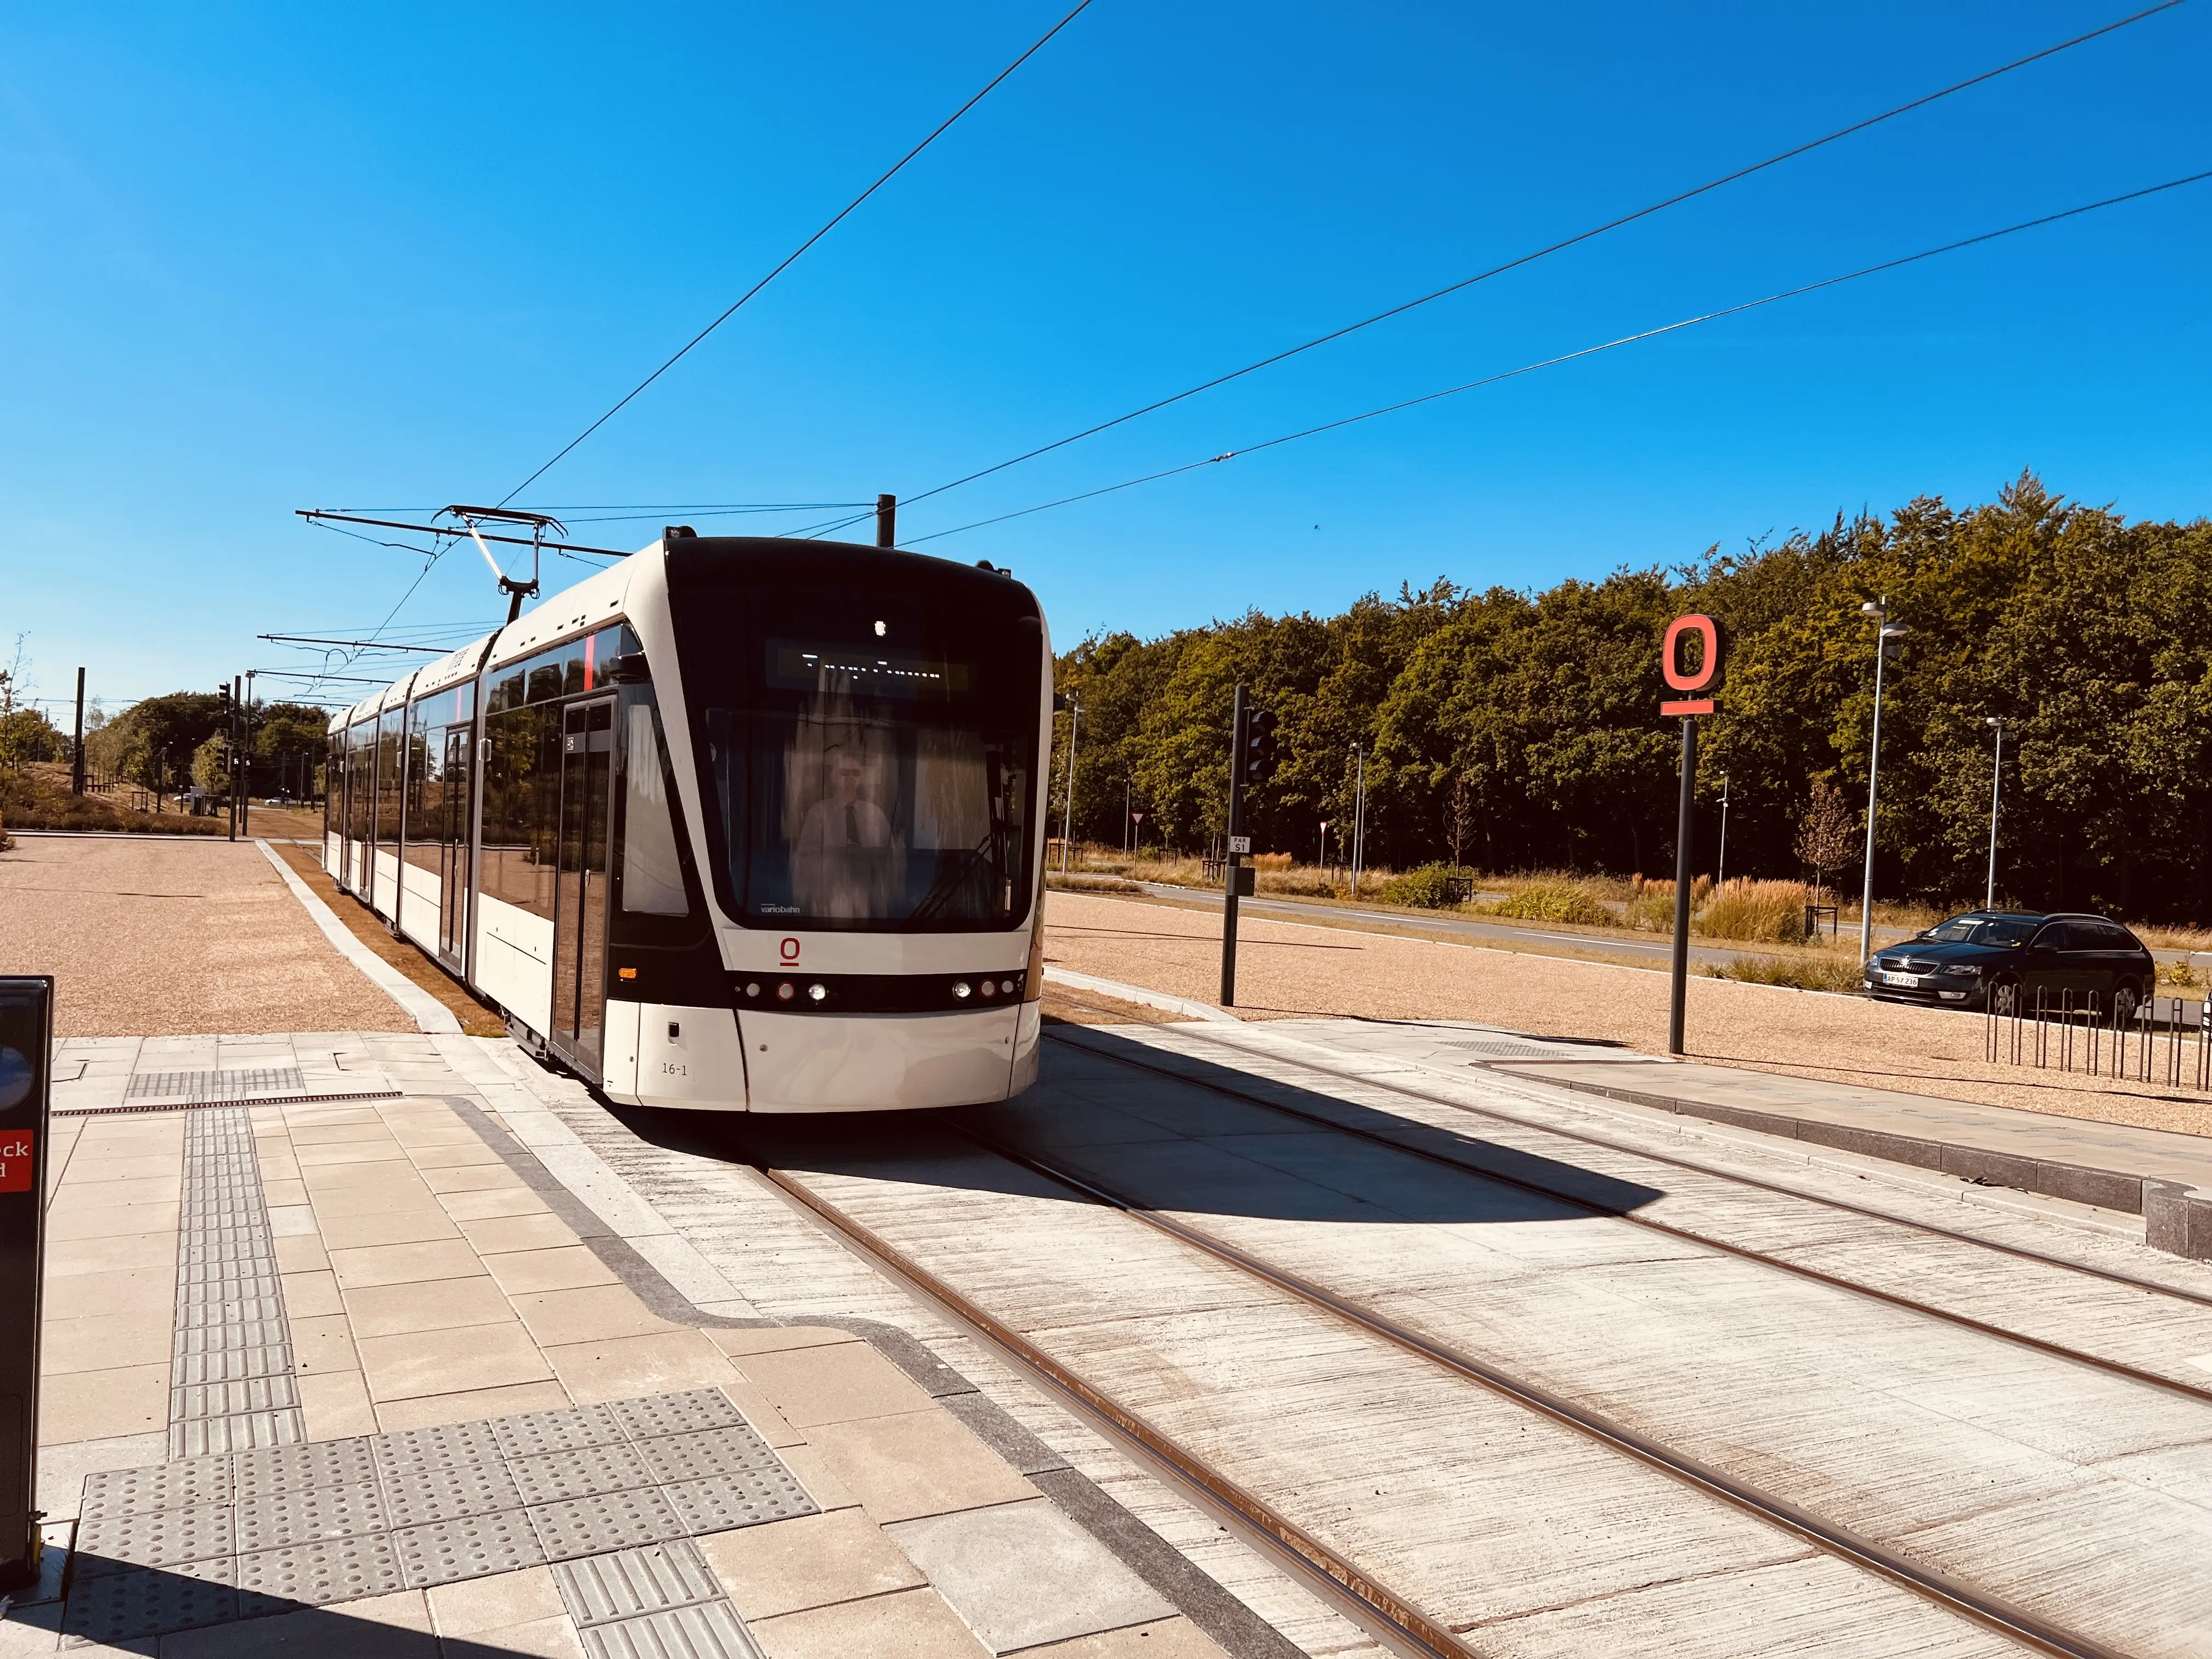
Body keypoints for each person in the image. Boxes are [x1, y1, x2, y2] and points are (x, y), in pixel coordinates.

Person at [792, 750, 898, 917]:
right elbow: (805, 856)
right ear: (834, 776)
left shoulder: (875, 814)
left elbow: (892, 856)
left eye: (855, 773)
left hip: (866, 895)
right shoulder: (819, 812)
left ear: (861, 778)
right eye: (844, 773)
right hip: (829, 895)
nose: (850, 778)